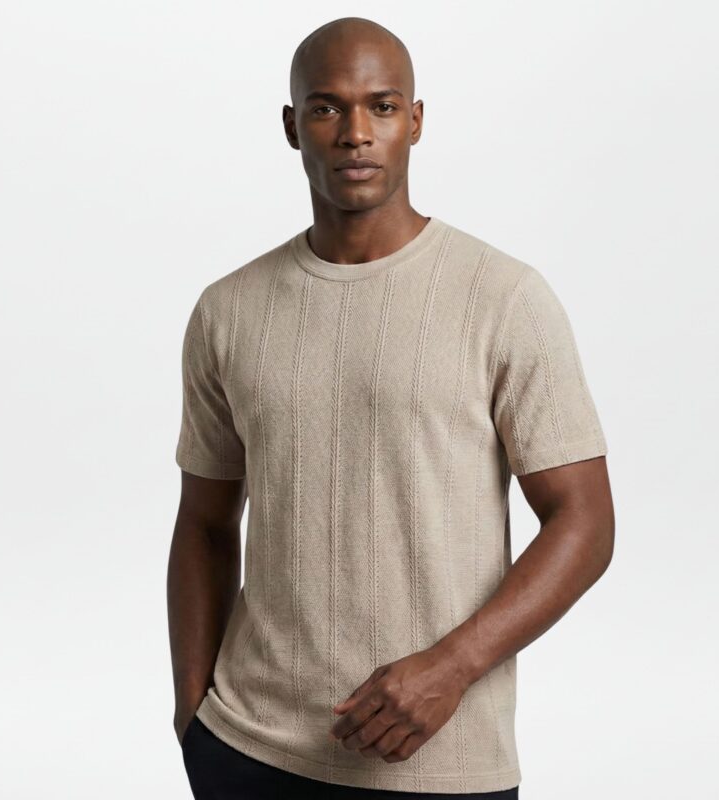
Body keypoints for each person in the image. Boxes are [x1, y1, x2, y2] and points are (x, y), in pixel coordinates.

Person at [167, 15, 614, 800]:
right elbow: (205, 523)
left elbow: (584, 522)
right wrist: (192, 717)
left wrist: (451, 668)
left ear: (415, 121)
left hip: (439, 759)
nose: (355, 133)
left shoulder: (503, 298)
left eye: (381, 106)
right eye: (327, 107)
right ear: (291, 126)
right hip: (246, 750)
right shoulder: (228, 310)